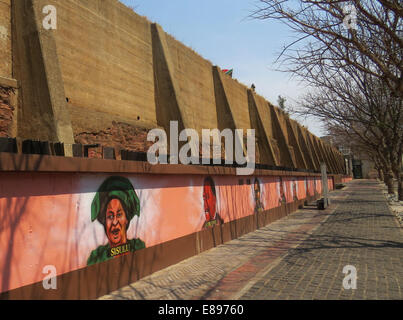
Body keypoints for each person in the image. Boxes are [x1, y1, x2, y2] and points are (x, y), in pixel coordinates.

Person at [87, 176, 145, 266]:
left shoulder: (138, 247)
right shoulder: (97, 257)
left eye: (119, 215)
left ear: (126, 219)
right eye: (110, 216)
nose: (114, 222)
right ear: (104, 221)